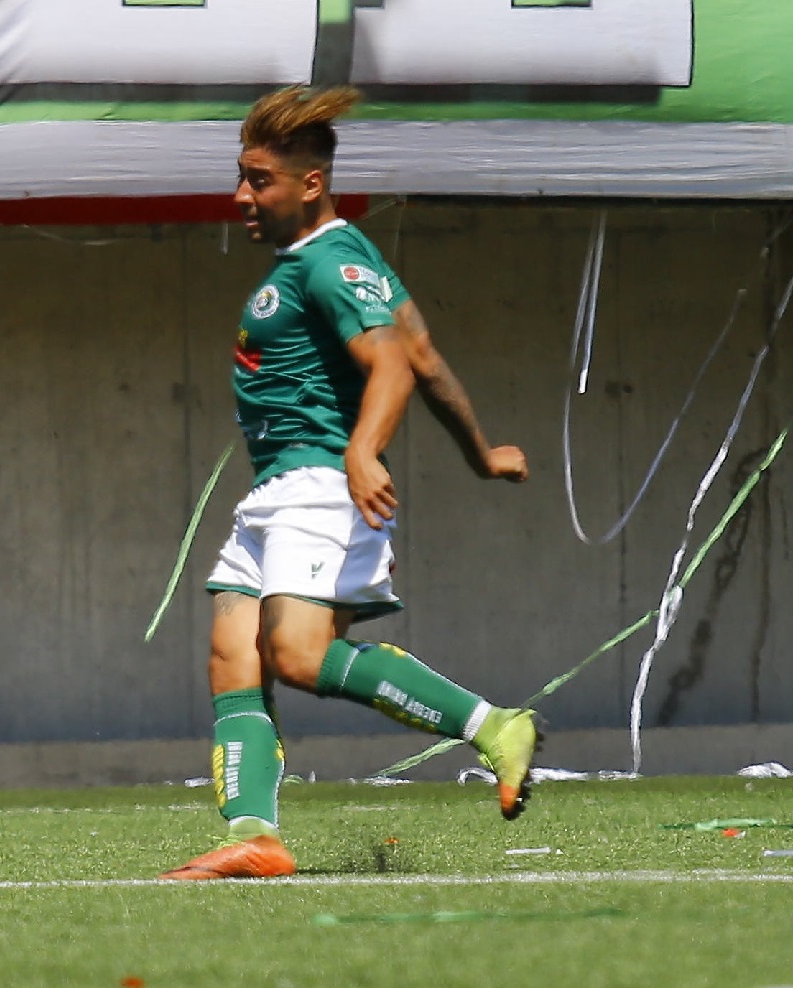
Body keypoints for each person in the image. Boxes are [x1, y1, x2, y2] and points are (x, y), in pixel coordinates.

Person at [159, 87, 537, 881]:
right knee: (235, 657)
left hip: (318, 483)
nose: (241, 197)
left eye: (258, 179)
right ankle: (256, 835)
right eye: (240, 175)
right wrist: (478, 452)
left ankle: (494, 725)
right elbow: (426, 356)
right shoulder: (336, 259)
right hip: (275, 492)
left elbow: (392, 363)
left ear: (309, 183)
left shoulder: (330, 260)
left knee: (298, 657)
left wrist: (363, 450)